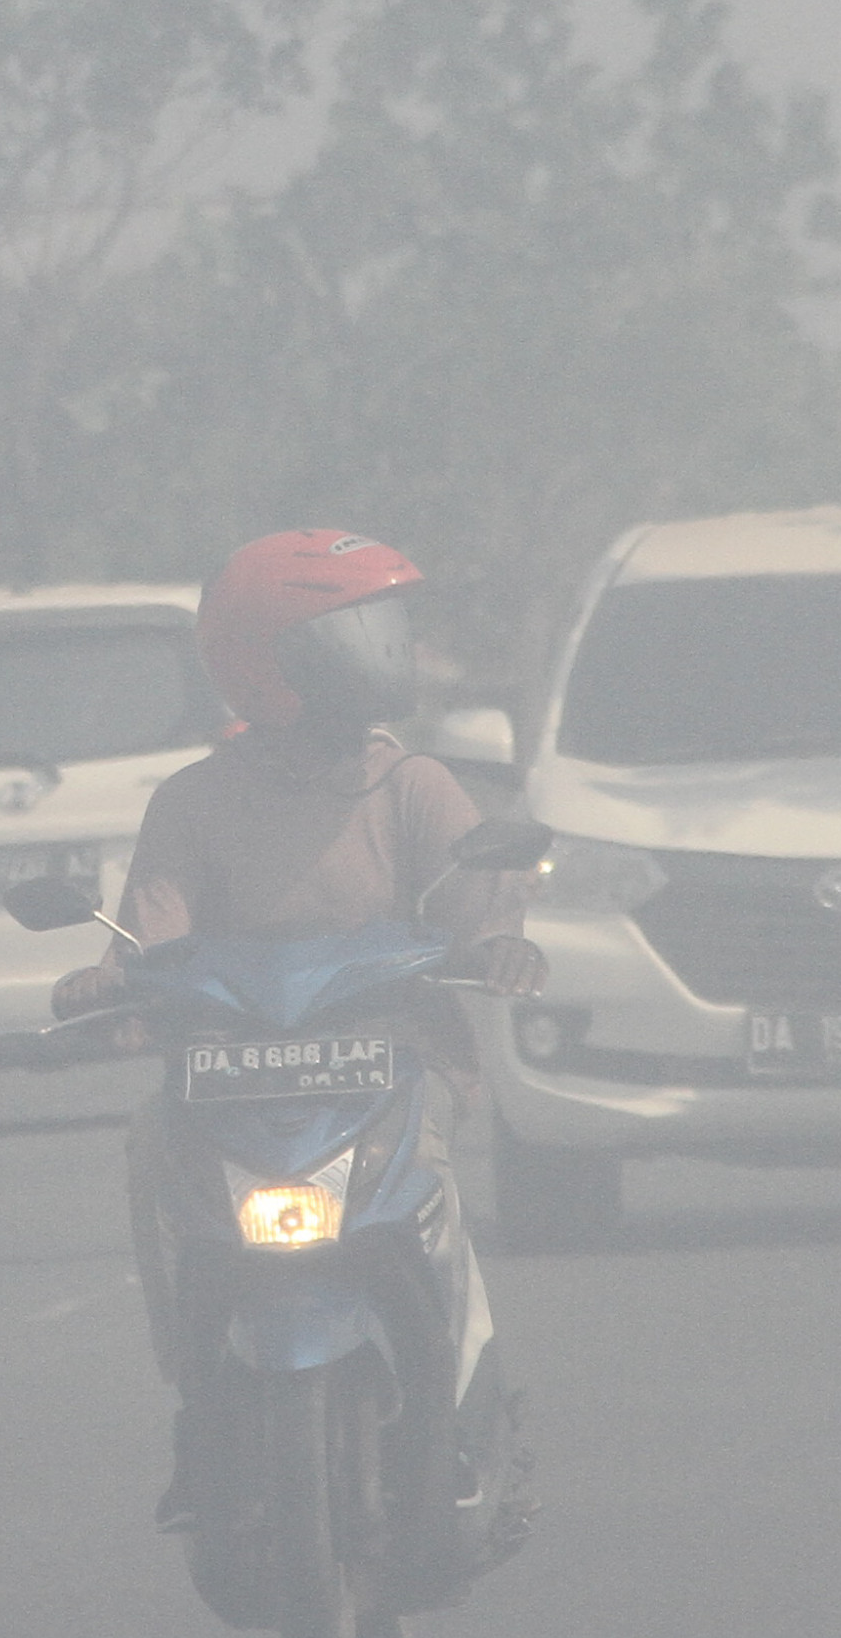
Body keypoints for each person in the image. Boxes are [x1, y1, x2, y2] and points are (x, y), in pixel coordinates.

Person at [53, 529, 543, 1522]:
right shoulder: (194, 800)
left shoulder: (413, 785)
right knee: (151, 1152)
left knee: (434, 1204)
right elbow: (153, 932)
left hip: (395, 1067)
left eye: (378, 625)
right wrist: (111, 984)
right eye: (352, 630)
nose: (382, 650)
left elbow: (476, 907)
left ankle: (459, 1418)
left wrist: (499, 944)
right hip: (232, 1080)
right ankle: (198, 1405)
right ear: (270, 660)